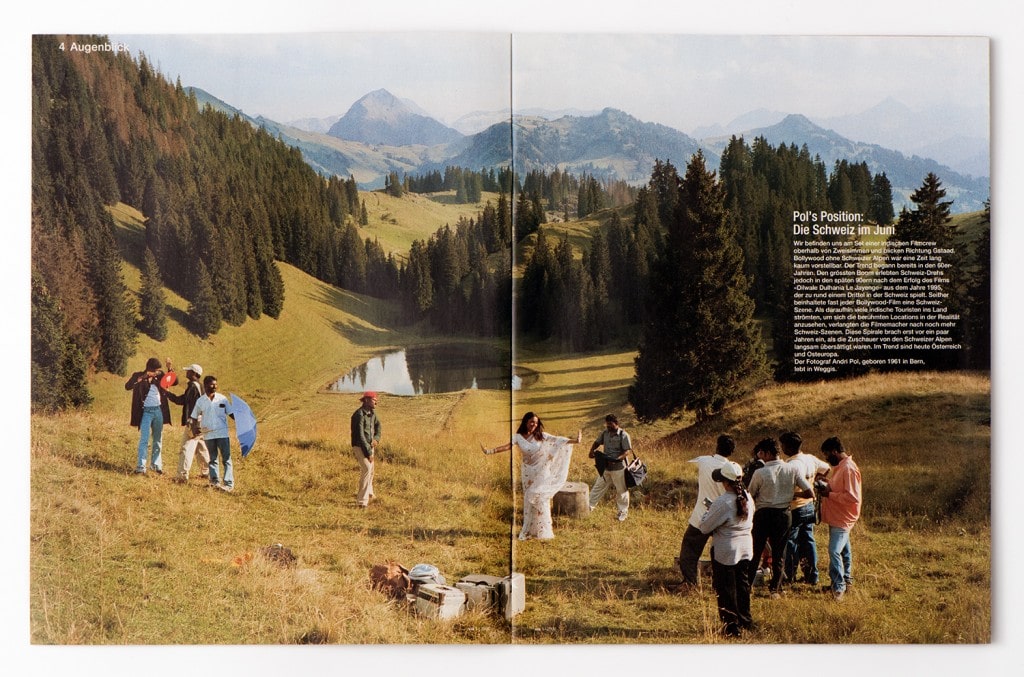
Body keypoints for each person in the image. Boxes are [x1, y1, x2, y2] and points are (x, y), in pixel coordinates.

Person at [481, 412, 581, 540]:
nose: (534, 424)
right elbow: (507, 446)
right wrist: (490, 451)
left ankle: (544, 532)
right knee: (529, 499)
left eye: (536, 422)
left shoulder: (541, 436)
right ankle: (531, 530)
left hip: (542, 471)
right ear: (525, 422)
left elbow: (558, 440)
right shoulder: (517, 437)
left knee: (539, 497)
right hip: (528, 473)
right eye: (531, 422)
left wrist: (575, 441)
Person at [746, 438, 813, 597]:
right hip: (783, 513)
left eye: (762, 453)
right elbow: (810, 492)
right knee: (779, 552)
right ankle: (776, 588)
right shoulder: (791, 469)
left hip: (763, 514)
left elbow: (750, 495)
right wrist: (791, 494)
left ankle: (747, 585)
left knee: (755, 550)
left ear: (768, 453)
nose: (760, 456)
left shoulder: (760, 472)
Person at [698, 460, 755, 637]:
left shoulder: (722, 502)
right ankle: (745, 620)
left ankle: (731, 627)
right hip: (745, 547)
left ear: (726, 482)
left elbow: (704, 527)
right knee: (742, 586)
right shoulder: (747, 497)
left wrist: (709, 512)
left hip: (726, 550)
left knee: (725, 589)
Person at [677, 434, 735, 587]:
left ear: (717, 446)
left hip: (702, 514)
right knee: (720, 552)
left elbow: (688, 460)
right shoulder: (734, 468)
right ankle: (720, 582)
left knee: (690, 548)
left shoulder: (704, 461)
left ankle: (690, 581)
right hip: (725, 516)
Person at [781, 431, 830, 585]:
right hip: (809, 508)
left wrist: (797, 494)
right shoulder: (810, 458)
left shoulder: (791, 465)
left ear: (787, 447)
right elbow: (827, 469)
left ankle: (789, 575)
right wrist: (816, 479)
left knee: (790, 543)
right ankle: (812, 575)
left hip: (795, 508)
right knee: (808, 541)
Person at [817, 436, 862, 600]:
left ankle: (838, 587)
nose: (826, 459)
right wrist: (826, 484)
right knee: (844, 549)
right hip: (838, 515)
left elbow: (852, 497)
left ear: (834, 452)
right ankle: (847, 580)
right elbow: (840, 488)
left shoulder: (848, 468)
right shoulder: (842, 467)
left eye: (827, 455)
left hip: (843, 517)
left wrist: (829, 493)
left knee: (834, 550)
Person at [124, 356, 172, 475]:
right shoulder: (138, 375)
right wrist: (142, 378)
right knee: (144, 440)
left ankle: (156, 465)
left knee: (158, 439)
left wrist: (170, 369)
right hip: (145, 412)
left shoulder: (160, 376)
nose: (158, 372)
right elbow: (128, 386)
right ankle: (141, 467)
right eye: (156, 370)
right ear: (149, 368)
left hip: (158, 411)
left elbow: (172, 381)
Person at [190, 374, 235, 492]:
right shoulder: (200, 401)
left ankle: (228, 484)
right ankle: (214, 482)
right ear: (205, 386)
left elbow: (231, 413)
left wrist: (241, 419)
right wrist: (194, 428)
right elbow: (194, 416)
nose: (214, 387)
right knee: (213, 458)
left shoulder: (222, 399)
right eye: (212, 384)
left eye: (216, 384)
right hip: (209, 434)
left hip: (222, 433)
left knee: (226, 459)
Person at [166, 363, 210, 483]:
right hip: (203, 422)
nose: (187, 372)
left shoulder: (192, 387)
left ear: (194, 374)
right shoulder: (201, 387)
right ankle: (207, 473)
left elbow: (182, 401)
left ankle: (182, 476)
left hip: (194, 423)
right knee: (202, 448)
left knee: (187, 448)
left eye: (189, 371)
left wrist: (168, 394)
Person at [587, 413, 632, 521]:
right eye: (607, 425)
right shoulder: (605, 433)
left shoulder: (624, 435)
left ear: (616, 424)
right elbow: (597, 442)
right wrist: (591, 451)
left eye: (610, 424)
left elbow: (628, 451)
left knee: (621, 491)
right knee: (598, 488)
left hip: (619, 469)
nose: (608, 427)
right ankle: (588, 508)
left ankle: (622, 512)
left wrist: (617, 459)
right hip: (605, 467)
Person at [351, 391, 382, 508]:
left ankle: (369, 493)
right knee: (367, 468)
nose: (376, 402)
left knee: (371, 470)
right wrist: (369, 453)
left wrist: (376, 439)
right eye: (374, 400)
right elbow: (360, 436)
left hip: (369, 445)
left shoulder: (372, 414)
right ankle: (361, 502)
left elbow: (379, 426)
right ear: (367, 400)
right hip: (359, 446)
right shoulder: (359, 415)